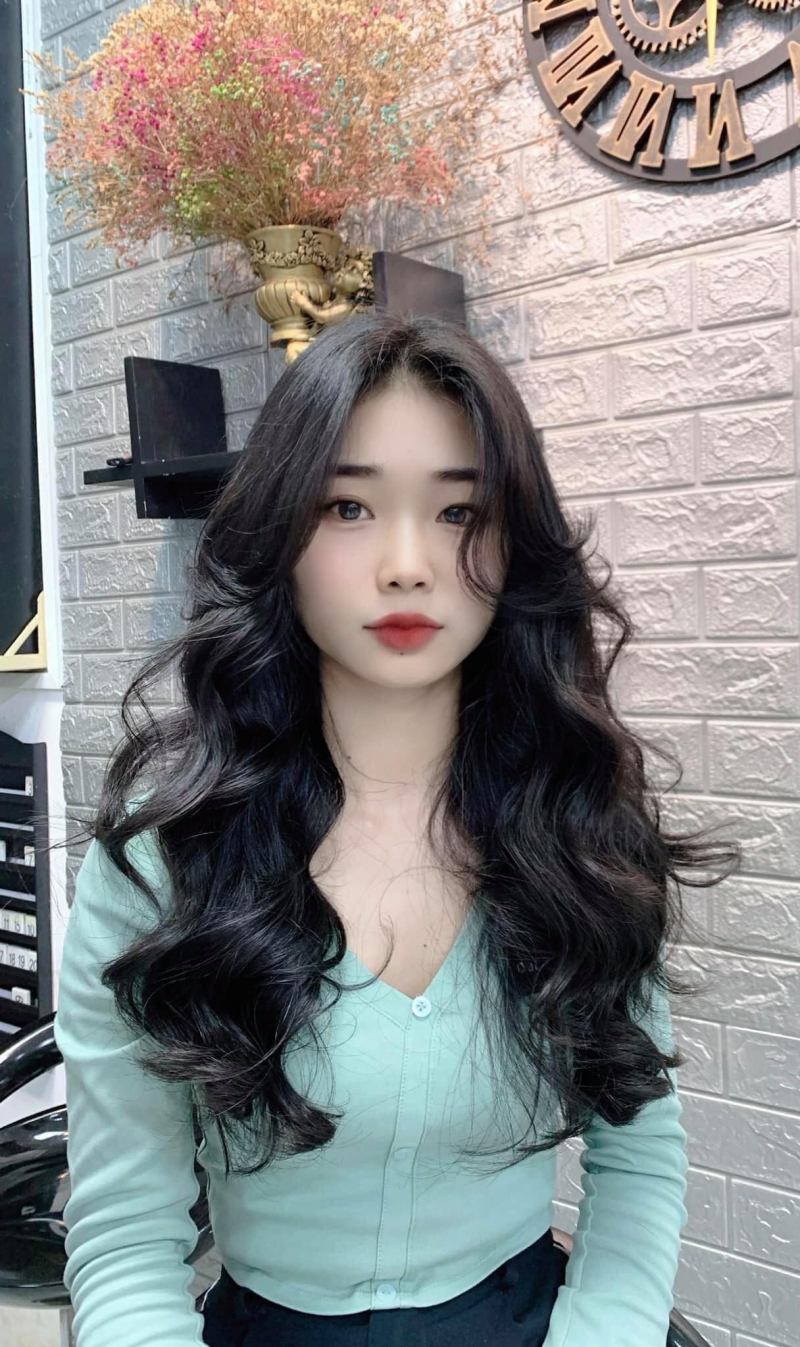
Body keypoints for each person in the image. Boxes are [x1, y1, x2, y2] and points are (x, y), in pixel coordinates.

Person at [54, 312, 740, 1347]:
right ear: (280, 535)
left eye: (460, 511)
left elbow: (637, 1154)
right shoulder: (164, 863)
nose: (409, 564)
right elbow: (124, 1237)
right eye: (348, 506)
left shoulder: (581, 829)